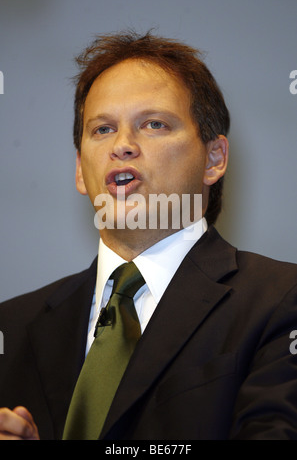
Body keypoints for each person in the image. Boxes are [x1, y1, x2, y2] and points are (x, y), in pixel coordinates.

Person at [0, 30, 297, 441]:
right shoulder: (10, 328)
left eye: (154, 124)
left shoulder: (281, 300)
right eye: (102, 129)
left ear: (214, 158)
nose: (122, 145)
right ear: (78, 170)